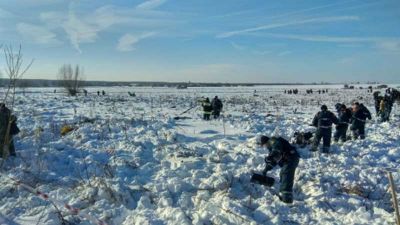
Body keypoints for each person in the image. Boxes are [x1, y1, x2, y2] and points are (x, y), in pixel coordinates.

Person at [257, 135, 300, 204]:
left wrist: (271, 156)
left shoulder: (273, 141)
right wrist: (266, 169)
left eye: (264, 145)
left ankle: (287, 199)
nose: (264, 147)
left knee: (286, 175)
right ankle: (283, 195)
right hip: (288, 160)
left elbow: (277, 148)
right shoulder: (272, 147)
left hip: (291, 158)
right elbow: (274, 160)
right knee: (283, 174)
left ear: (265, 142)